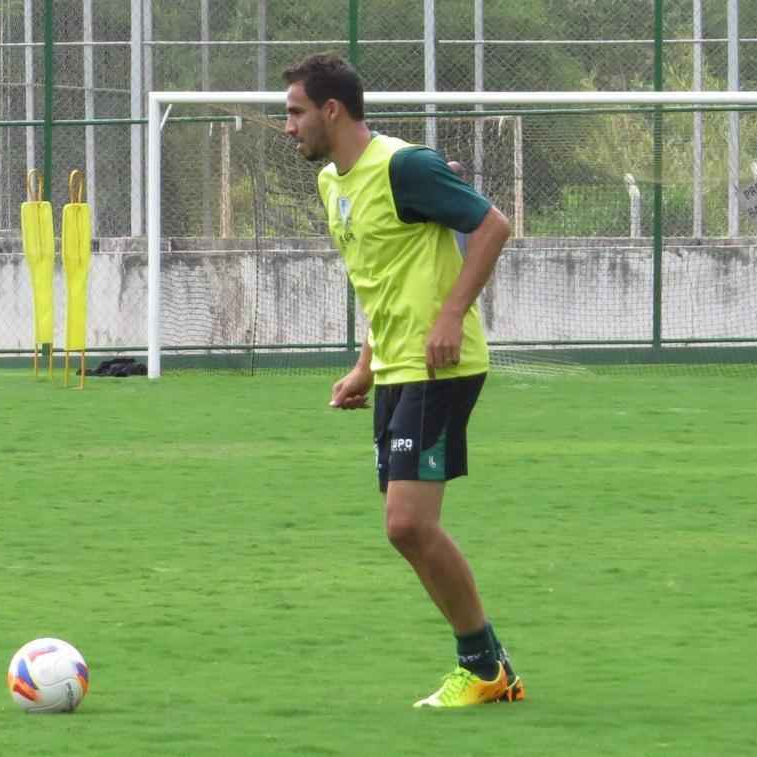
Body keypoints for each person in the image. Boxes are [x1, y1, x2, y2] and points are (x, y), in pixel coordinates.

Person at [283, 52, 524, 708]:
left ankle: (482, 665)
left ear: (332, 110)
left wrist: (451, 313)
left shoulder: (404, 166)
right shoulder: (332, 184)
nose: (288, 127)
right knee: (404, 528)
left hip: (439, 365)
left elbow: (492, 225)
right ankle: (490, 663)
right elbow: (382, 277)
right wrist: (365, 363)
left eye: (296, 112)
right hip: (395, 369)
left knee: (406, 523)